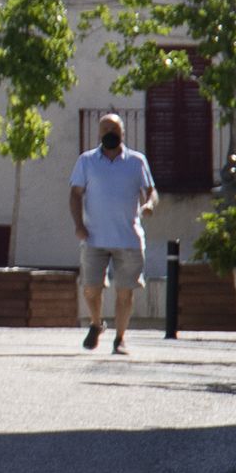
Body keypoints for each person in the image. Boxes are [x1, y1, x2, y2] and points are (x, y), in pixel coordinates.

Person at [71, 112, 160, 355]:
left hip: (128, 238)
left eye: (114, 130)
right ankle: (96, 323)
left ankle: (120, 338)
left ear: (123, 133)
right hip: (94, 238)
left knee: (125, 291)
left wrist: (149, 204)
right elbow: (75, 194)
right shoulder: (87, 161)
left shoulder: (136, 161)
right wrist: (79, 224)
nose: (110, 134)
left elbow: (150, 190)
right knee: (90, 288)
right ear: (99, 134)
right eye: (106, 130)